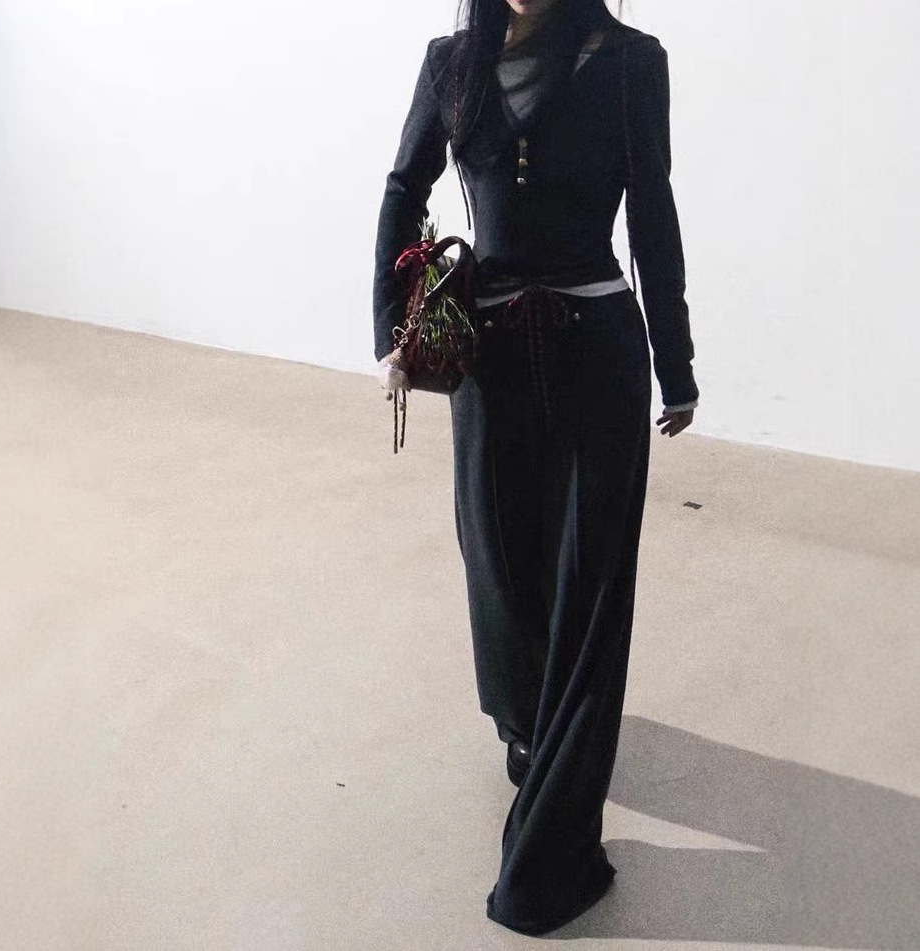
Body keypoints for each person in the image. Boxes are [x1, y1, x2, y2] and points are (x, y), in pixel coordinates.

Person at [372, 0, 700, 935]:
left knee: (588, 588)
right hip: (487, 360)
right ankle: (527, 727)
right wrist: (391, 332)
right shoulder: (449, 63)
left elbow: (653, 211)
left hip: (598, 349)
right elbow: (402, 188)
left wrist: (674, 363)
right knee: (500, 566)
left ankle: (549, 858)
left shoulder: (630, 60)